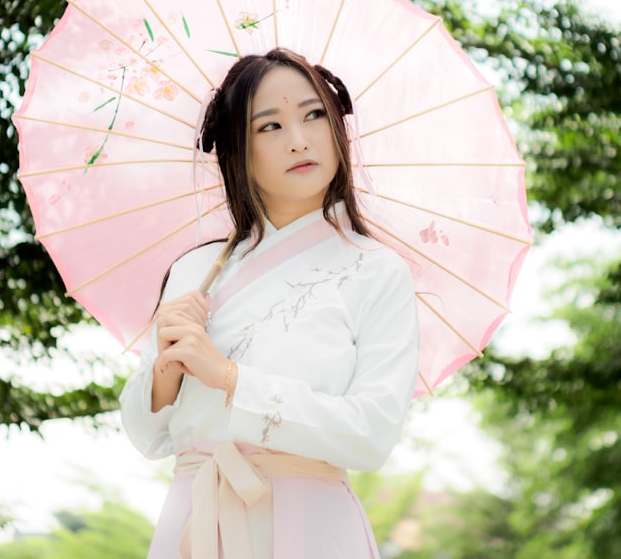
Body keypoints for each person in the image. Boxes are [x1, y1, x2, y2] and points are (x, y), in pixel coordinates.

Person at [119, 47, 419, 558]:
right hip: (197, 518)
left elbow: (372, 435)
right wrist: (167, 369)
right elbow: (148, 436)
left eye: (313, 115)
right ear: (237, 148)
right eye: (270, 127)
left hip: (313, 527)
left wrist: (230, 378)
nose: (299, 140)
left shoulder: (377, 270)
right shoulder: (194, 273)